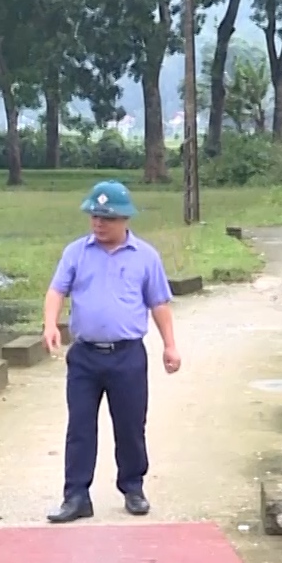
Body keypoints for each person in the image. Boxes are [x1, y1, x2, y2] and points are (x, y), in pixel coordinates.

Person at [41, 180, 180, 523]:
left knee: (131, 424)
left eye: (107, 218)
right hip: (85, 355)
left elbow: (158, 303)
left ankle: (133, 487)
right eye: (94, 216)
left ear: (125, 220)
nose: (99, 224)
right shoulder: (76, 252)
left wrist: (170, 345)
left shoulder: (145, 257)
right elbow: (57, 290)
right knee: (80, 426)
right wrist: (49, 325)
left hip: (127, 355)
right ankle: (76, 496)